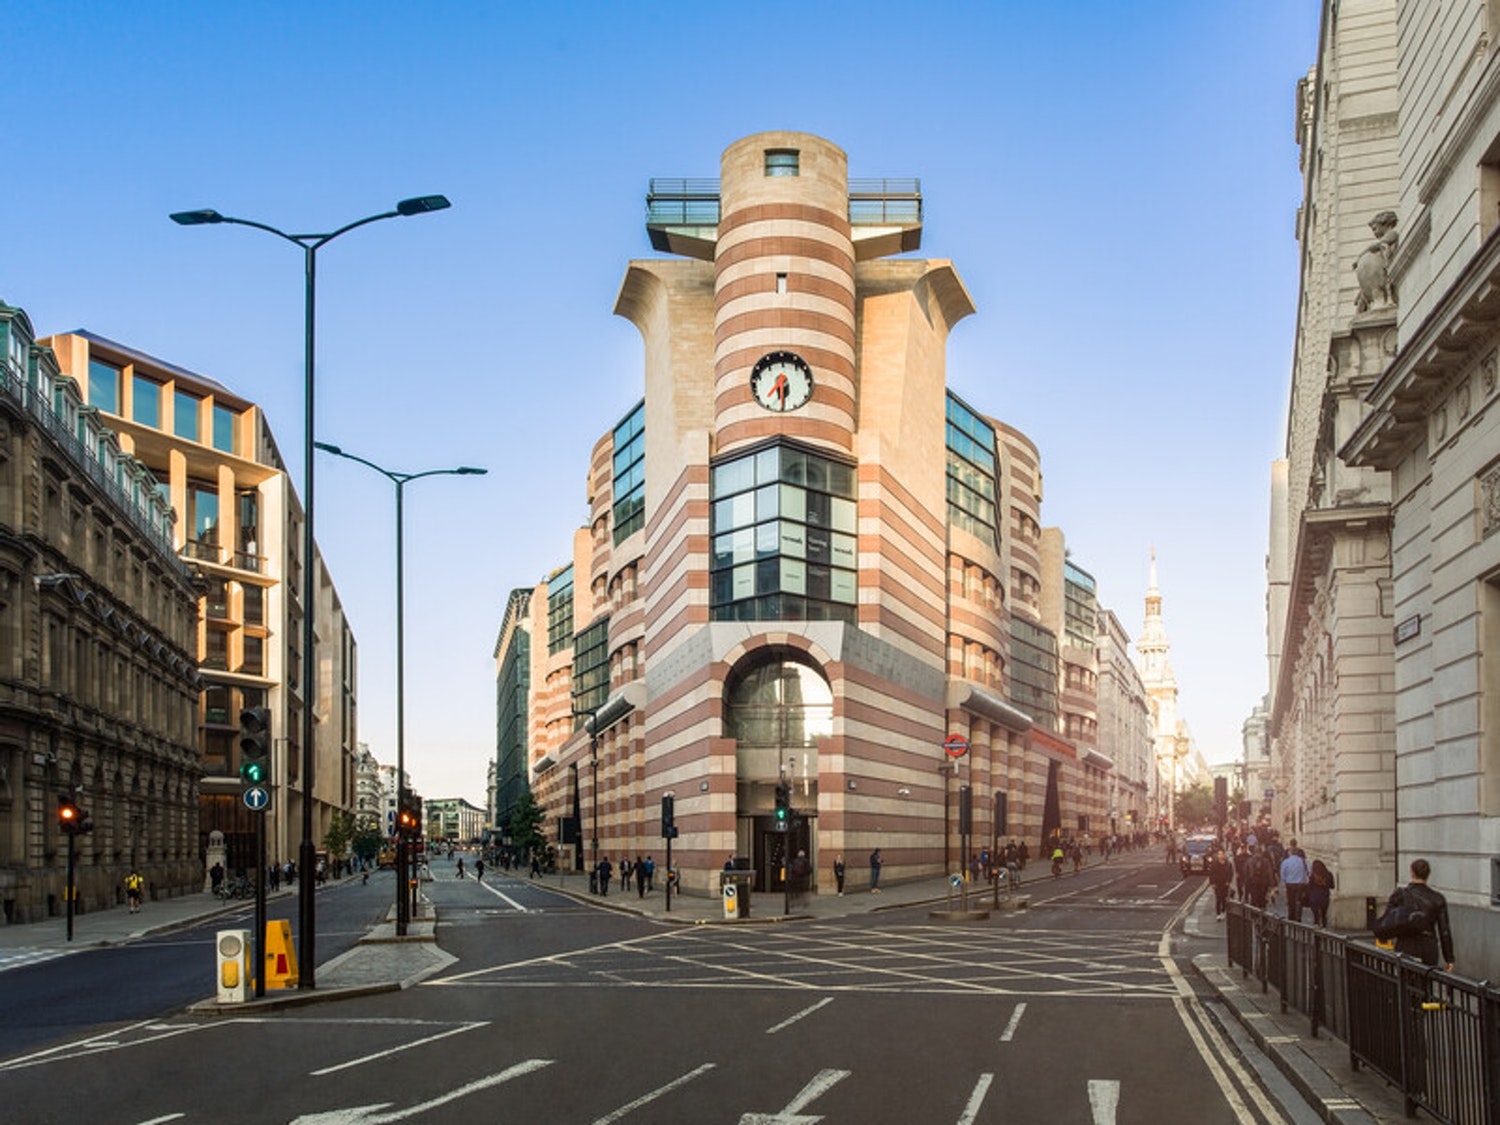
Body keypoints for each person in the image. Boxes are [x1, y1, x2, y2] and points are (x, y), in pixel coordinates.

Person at [1387, 858, 1455, 971]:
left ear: (1412, 873)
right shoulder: (1438, 898)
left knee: (1405, 976)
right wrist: (1449, 958)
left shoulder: (1400, 894)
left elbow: (1389, 920)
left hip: (1406, 942)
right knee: (1427, 976)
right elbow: (1444, 931)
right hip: (1428, 945)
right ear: (1428, 875)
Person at [1279, 841, 1310, 922]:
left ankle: (1291, 917)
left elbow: (1282, 873)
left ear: (1290, 853)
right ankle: (1298, 917)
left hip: (1289, 884)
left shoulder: (1286, 862)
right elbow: (1309, 871)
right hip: (1300, 884)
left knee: (1291, 901)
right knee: (1299, 901)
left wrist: (1284, 881)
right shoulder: (1303, 861)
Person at [1208, 847, 1234, 920]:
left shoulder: (1228, 864)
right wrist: (1212, 883)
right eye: (1219, 854)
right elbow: (1211, 874)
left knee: (1224, 898)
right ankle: (1218, 913)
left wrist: (1228, 881)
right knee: (1218, 899)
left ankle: (1223, 911)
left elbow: (1231, 873)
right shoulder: (1214, 864)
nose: (1220, 855)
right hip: (1217, 884)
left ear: (1224, 855)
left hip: (1225, 884)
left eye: (1221, 854)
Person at [1307, 859, 1335, 927]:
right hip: (1324, 897)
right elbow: (1332, 886)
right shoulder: (1329, 875)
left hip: (1314, 897)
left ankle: (1316, 928)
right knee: (1324, 915)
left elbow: (1309, 887)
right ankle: (1324, 928)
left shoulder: (1313, 876)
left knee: (1316, 916)